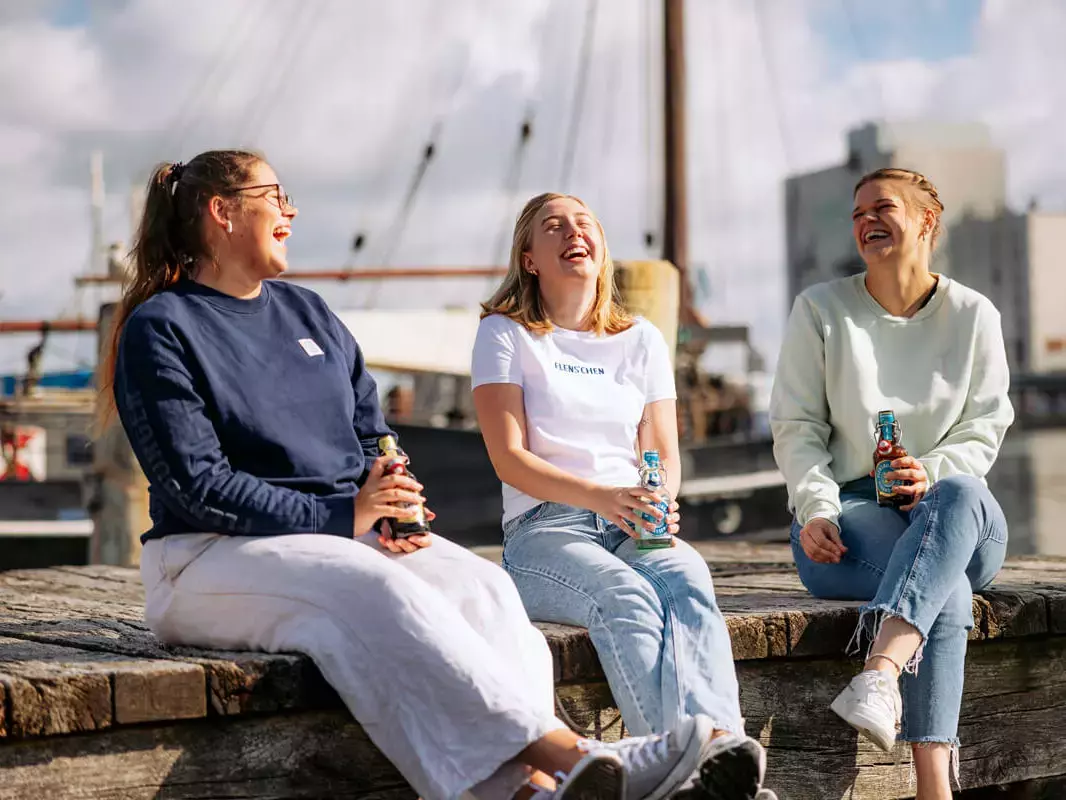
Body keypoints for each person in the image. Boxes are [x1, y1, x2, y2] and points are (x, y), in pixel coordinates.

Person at [98, 150, 749, 800]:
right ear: (222, 212)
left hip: (342, 536)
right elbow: (198, 487)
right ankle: (571, 752)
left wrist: (392, 490)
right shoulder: (162, 328)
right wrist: (345, 516)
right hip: (207, 559)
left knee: (487, 589)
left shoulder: (307, 314)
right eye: (276, 195)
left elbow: (368, 430)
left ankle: (533, 792)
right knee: (371, 590)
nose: (291, 211)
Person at [472, 192, 776, 800]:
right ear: (529, 258)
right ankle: (677, 775)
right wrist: (601, 495)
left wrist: (658, 499)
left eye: (584, 223)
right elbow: (510, 460)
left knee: (688, 575)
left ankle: (717, 748)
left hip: (632, 520)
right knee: (626, 597)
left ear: (602, 247)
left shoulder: (640, 339)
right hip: (544, 531)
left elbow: (662, 453)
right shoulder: (505, 334)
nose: (572, 232)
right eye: (553, 226)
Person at [769, 168, 1013, 799]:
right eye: (856, 213)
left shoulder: (973, 315)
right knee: (944, 584)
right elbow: (797, 428)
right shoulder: (821, 311)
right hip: (851, 516)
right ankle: (935, 786)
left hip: (955, 511)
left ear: (927, 221)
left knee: (957, 499)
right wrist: (816, 508)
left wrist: (928, 472)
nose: (865, 221)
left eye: (882, 208)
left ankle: (879, 671)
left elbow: (986, 426)